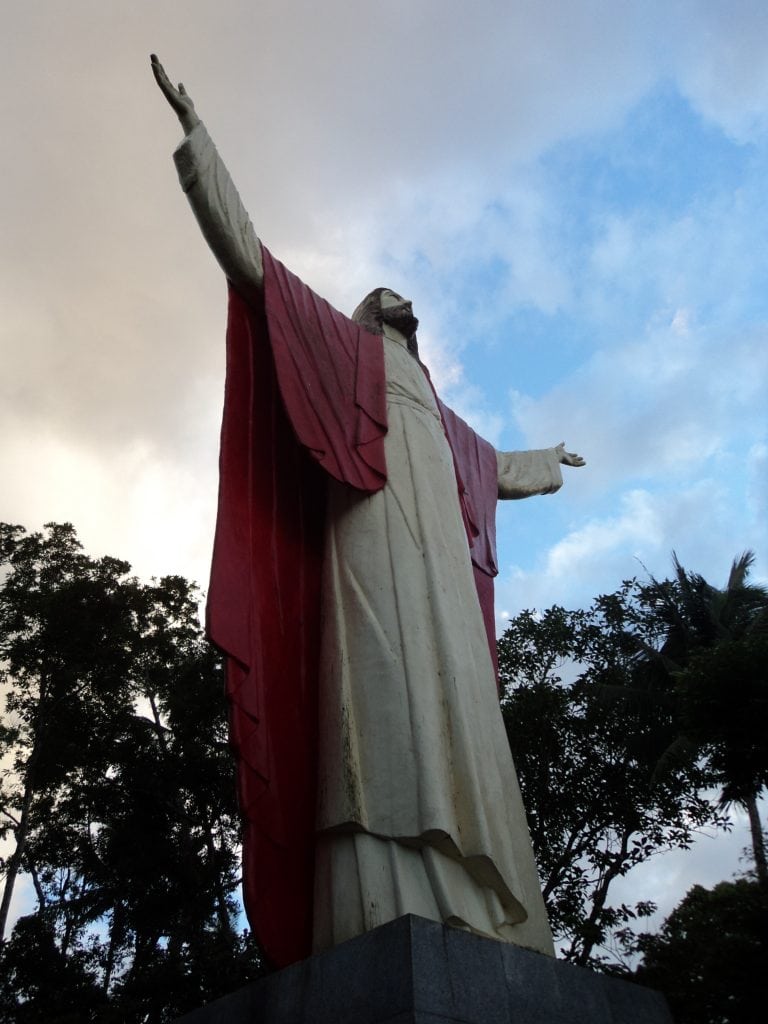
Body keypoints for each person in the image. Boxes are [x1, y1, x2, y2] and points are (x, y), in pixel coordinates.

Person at [151, 55, 585, 968]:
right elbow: (255, 267)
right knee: (377, 702)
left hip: (441, 586)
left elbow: (490, 469)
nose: (403, 304)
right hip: (369, 544)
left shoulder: (436, 409)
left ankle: (474, 897)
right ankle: (378, 895)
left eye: (409, 304)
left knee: (457, 714)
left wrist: (545, 464)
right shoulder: (342, 351)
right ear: (363, 313)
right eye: (388, 298)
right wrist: (200, 145)